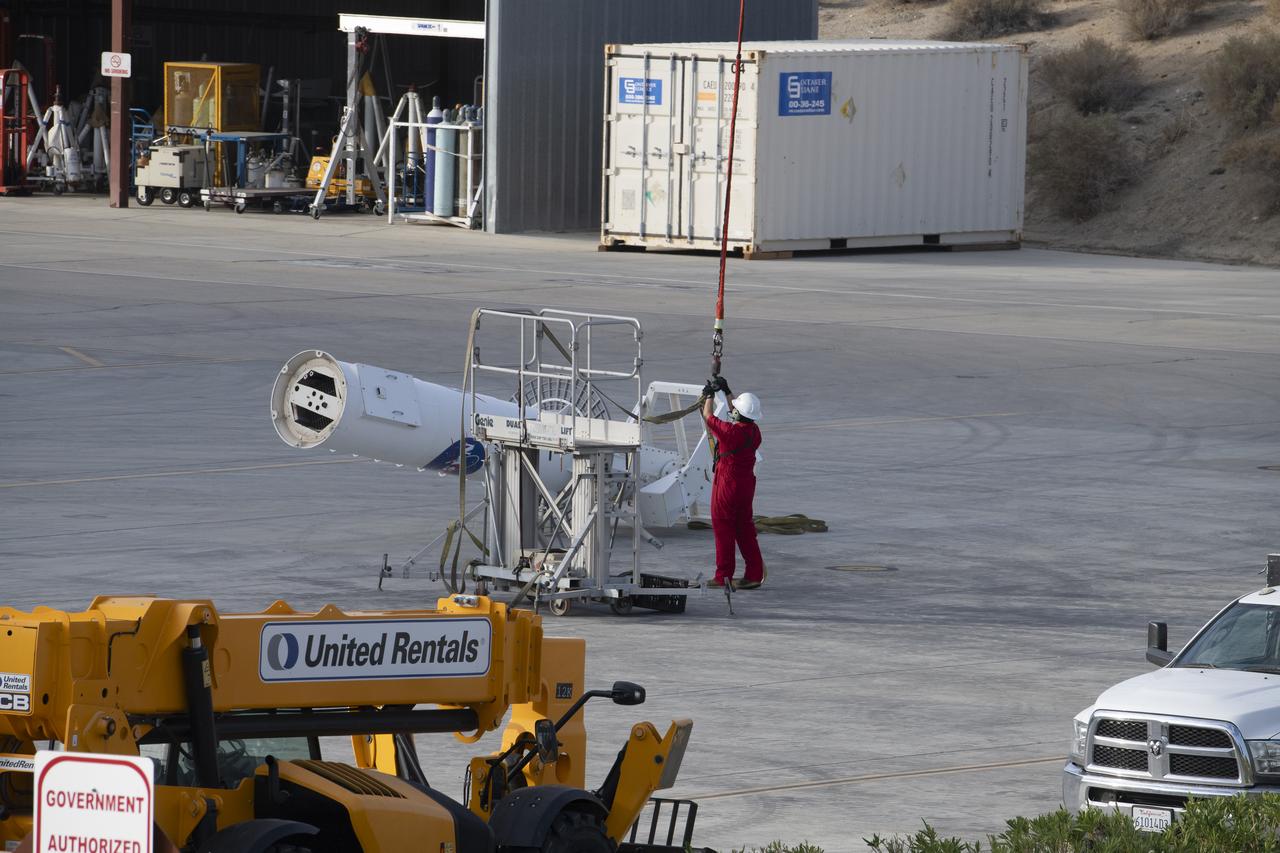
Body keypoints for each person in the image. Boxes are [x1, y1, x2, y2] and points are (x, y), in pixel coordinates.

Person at [701, 376, 766, 590]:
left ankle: (723, 576)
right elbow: (738, 412)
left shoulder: (729, 433)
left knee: (723, 529)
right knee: (745, 529)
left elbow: (708, 416)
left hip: (727, 486)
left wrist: (709, 395)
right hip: (746, 486)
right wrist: (727, 391)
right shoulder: (754, 432)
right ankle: (754, 573)